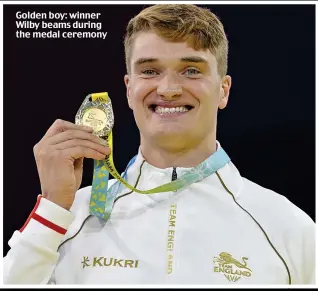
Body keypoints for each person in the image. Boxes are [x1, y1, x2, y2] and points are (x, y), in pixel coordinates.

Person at [3, 4, 315, 285]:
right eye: (150, 71)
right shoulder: (70, 217)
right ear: (129, 89)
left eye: (191, 70)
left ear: (223, 90)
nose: (167, 89)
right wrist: (53, 208)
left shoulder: (287, 228)